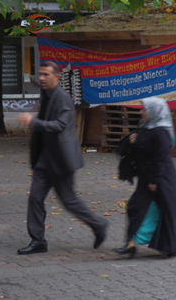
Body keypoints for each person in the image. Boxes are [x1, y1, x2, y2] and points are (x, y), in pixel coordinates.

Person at [16, 61, 108, 255]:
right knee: (35, 198)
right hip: (44, 160)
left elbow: (60, 125)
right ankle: (38, 241)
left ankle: (99, 224)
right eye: (40, 74)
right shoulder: (46, 95)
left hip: (61, 159)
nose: (41, 78)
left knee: (69, 201)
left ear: (57, 77)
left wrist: (34, 121)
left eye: (46, 75)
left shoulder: (63, 97)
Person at [115, 97, 176, 258]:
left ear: (154, 112)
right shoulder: (144, 128)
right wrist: (132, 138)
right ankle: (130, 244)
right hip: (146, 178)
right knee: (136, 207)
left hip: (162, 180)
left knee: (168, 212)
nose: (141, 112)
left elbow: (161, 159)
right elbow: (139, 143)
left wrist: (155, 181)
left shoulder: (162, 133)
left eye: (144, 109)